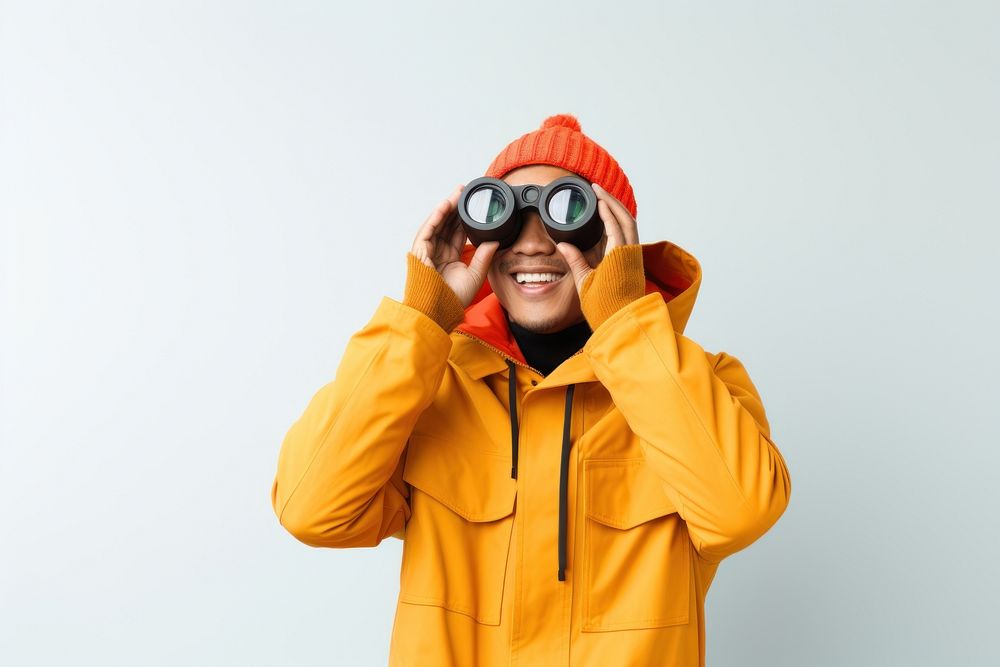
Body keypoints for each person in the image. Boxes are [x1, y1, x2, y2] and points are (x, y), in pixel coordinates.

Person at [270, 114, 792, 666]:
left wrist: (626, 324)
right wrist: (421, 317)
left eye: (567, 213)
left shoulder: (699, 385)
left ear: (612, 237)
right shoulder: (430, 385)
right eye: (507, 215)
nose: (535, 243)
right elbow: (312, 508)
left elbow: (740, 513)